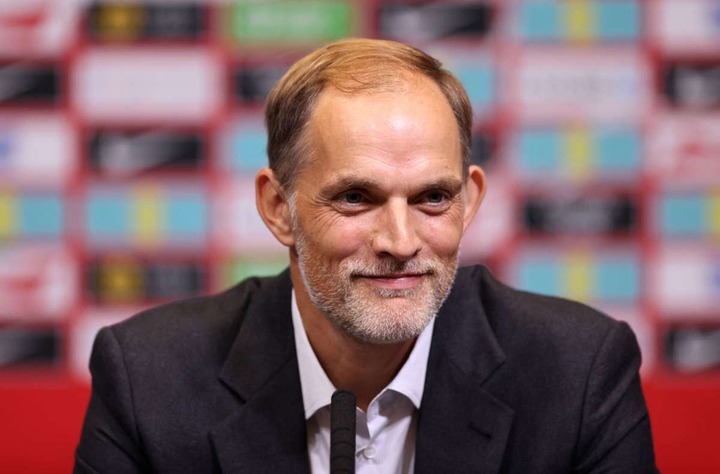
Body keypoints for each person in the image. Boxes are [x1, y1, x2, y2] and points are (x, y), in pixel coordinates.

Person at [74, 38, 657, 473]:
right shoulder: (147, 378)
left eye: (433, 198)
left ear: (470, 200)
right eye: (356, 198)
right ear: (279, 208)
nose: (400, 242)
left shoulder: (579, 372)